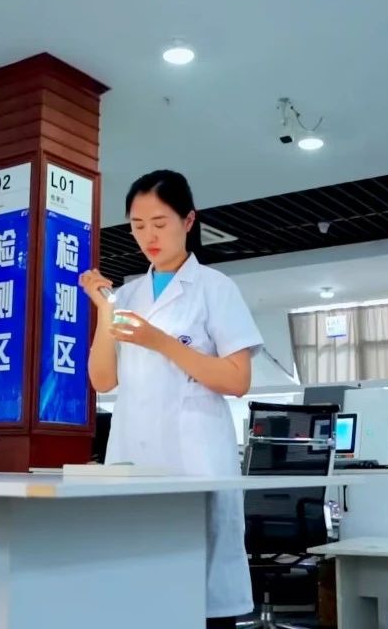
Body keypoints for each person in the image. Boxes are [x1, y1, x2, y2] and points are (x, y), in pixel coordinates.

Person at [79, 170, 261, 629]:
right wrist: (105, 312)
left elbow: (237, 379)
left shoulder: (216, 288)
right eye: (138, 226)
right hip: (134, 463)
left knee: (199, 603)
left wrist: (160, 342)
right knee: (138, 600)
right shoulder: (127, 295)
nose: (149, 236)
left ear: (188, 220)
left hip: (194, 464)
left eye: (160, 223)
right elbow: (102, 380)